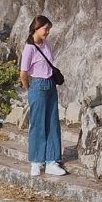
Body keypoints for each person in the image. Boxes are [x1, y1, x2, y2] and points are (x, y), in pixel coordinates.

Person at [19, 15, 67, 177]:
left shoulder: (47, 44)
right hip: (37, 85)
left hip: (50, 85)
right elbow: (23, 74)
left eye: (48, 29)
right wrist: (29, 89)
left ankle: (52, 160)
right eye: (45, 29)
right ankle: (36, 161)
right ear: (36, 28)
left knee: (53, 122)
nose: (47, 32)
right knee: (38, 124)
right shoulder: (29, 48)